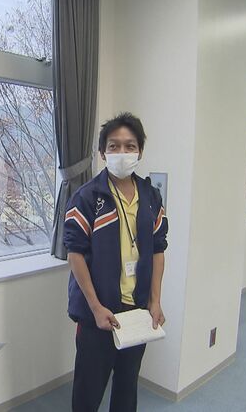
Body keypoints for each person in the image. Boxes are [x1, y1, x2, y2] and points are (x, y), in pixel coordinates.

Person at [64, 112, 168, 412]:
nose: (122, 152)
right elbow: (75, 254)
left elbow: (159, 249)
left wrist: (155, 300)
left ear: (140, 152)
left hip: (136, 311)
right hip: (97, 315)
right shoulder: (86, 197)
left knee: (127, 387)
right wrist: (96, 308)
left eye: (130, 146)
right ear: (102, 152)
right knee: (87, 394)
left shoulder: (150, 197)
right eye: (114, 146)